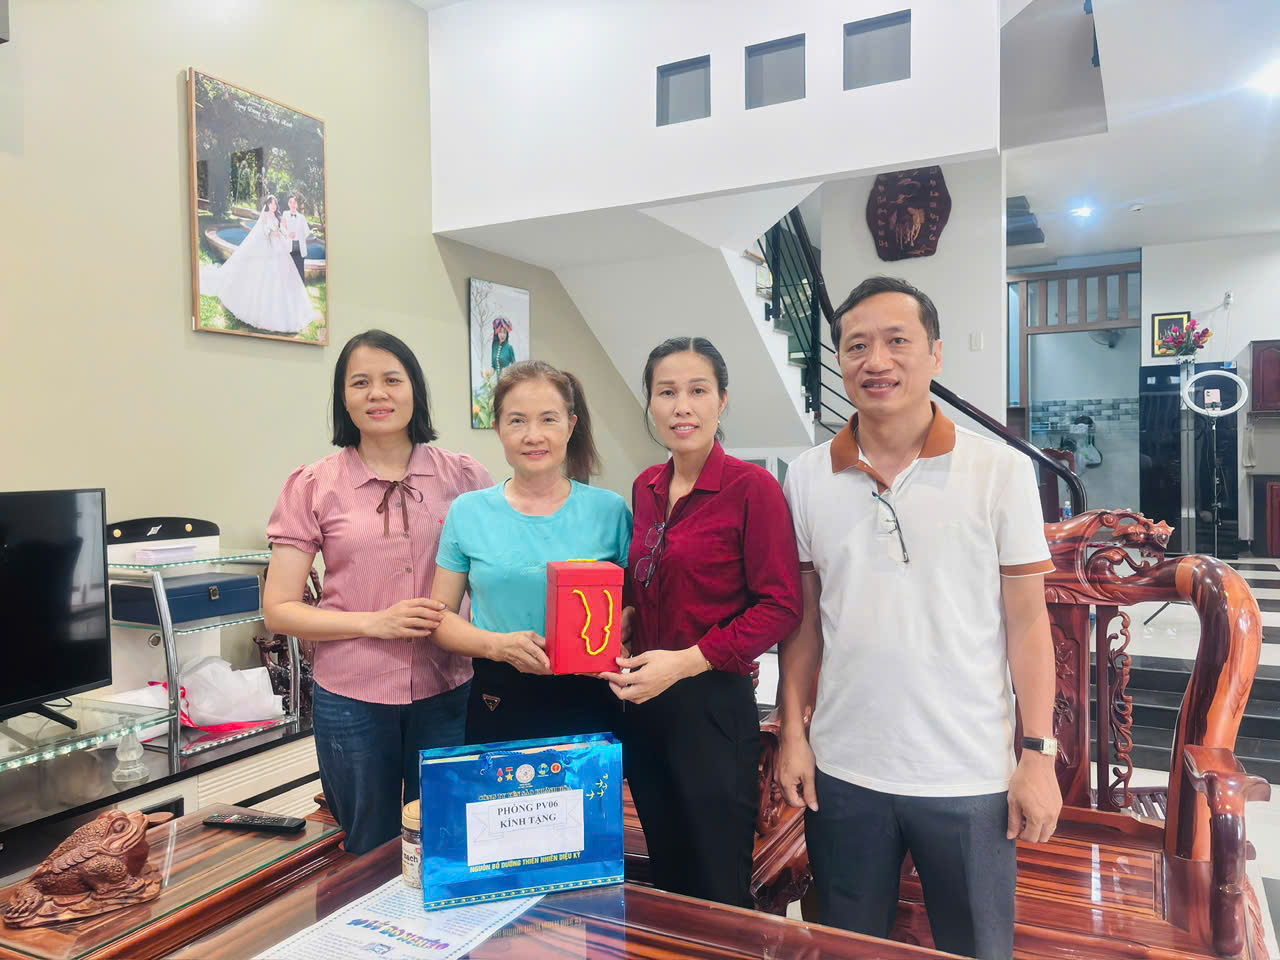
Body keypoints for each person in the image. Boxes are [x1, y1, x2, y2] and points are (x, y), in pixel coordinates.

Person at [775, 277, 1062, 960]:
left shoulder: (999, 470)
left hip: (968, 776)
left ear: (935, 353)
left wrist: (1038, 754)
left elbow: (1028, 626)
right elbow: (805, 623)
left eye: (896, 341)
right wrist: (792, 733)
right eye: (856, 346)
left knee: (976, 947)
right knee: (849, 948)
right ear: (839, 361)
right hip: (845, 772)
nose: (876, 361)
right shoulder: (808, 476)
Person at [263, 329, 493, 855]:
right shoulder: (313, 485)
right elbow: (279, 609)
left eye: (392, 379)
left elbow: (496, 571)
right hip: (352, 697)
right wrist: (374, 622)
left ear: (415, 390)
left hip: (449, 686)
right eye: (360, 383)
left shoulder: (464, 477)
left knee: (451, 839)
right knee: (367, 844)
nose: (377, 394)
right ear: (343, 398)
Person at [600, 337, 802, 909]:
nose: (681, 406)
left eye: (697, 391)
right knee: (667, 874)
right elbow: (648, 577)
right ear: (650, 402)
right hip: (644, 705)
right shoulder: (645, 486)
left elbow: (781, 605)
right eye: (666, 392)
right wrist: (629, 615)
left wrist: (688, 661)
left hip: (712, 708)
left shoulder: (751, 488)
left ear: (722, 400)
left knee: (716, 885)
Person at [430, 360, 631, 744]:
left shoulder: (611, 510)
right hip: (499, 694)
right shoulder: (468, 511)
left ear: (570, 426)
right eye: (517, 421)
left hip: (592, 694)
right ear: (498, 429)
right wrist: (498, 645)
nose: (533, 435)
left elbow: (634, 607)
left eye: (548, 420)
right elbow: (440, 620)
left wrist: (624, 626)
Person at [213, 194, 315, 334]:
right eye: (271, 203)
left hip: (280, 248)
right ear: (267, 204)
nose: (273, 206)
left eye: (275, 204)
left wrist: (286, 234)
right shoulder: (265, 216)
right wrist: (271, 231)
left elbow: (283, 229)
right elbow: (264, 231)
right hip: (270, 248)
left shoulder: (278, 216)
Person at [282, 194, 310, 283]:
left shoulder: (302, 217)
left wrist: (297, 234)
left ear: (297, 204)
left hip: (299, 249)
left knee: (300, 271)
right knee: (289, 271)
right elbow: (282, 228)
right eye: (290, 202)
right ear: (288, 203)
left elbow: (307, 232)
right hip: (289, 248)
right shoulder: (285, 214)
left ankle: (301, 288)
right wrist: (288, 234)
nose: (292, 204)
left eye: (294, 203)